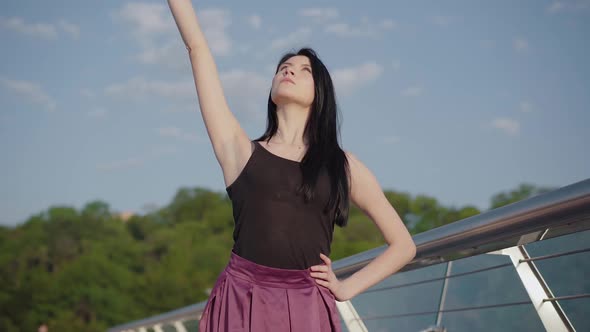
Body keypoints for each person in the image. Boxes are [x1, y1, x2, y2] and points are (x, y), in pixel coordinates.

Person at [167, 1, 417, 331]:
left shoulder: (343, 166)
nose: (289, 70)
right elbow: (197, 48)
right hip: (241, 299)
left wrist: (345, 288)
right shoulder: (239, 150)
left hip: (307, 304)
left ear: (320, 93)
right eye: (284, 66)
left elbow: (403, 246)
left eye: (304, 70)